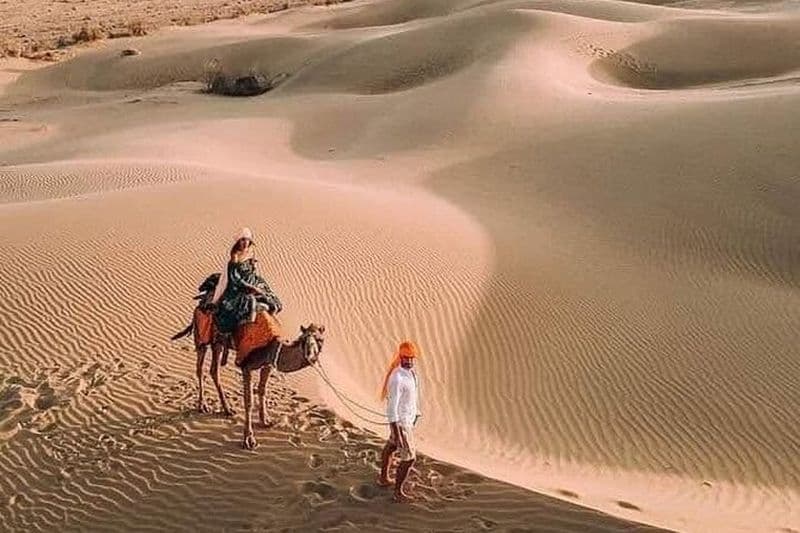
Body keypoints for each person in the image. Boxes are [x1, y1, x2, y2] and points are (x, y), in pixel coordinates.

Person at [210, 227, 282, 335]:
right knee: (248, 303)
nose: (245, 243)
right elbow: (235, 278)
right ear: (238, 242)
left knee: (272, 300)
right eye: (242, 240)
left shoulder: (251, 251)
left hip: (253, 280)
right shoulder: (235, 256)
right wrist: (250, 287)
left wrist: (253, 267)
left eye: (247, 240)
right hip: (239, 286)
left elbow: (252, 268)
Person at [377, 340, 421, 503]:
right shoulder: (397, 378)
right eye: (405, 357)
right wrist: (397, 433)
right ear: (400, 357)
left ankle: (383, 479)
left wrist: (416, 413)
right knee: (409, 458)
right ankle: (398, 491)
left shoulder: (411, 373)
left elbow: (411, 397)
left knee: (391, 447)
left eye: (411, 358)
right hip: (401, 423)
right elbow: (392, 408)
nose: (409, 361)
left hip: (407, 420)